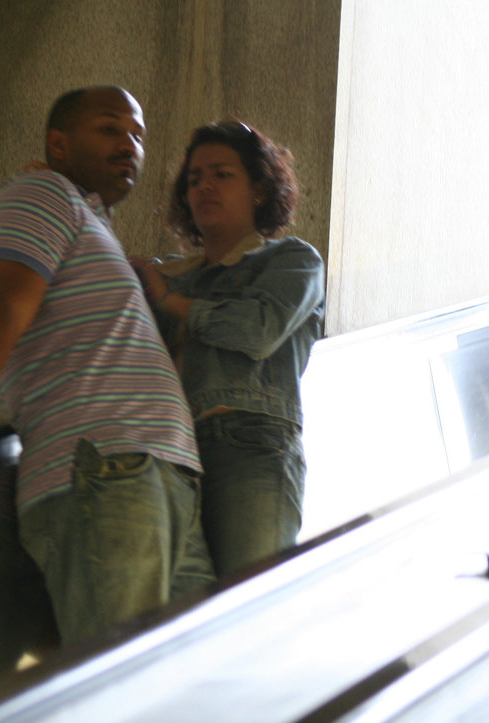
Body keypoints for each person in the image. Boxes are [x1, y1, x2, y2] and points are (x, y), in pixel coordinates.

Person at [0, 86, 215, 646]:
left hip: (161, 474)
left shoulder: (89, 217)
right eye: (110, 128)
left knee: (184, 683)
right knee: (121, 687)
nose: (129, 144)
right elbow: (5, 304)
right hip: (104, 472)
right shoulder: (38, 192)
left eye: (138, 135)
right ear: (58, 143)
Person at [131, 120, 325, 578]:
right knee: (181, 620)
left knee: (246, 609)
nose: (204, 187)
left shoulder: (292, 261)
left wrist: (172, 302)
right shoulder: (168, 274)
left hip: (252, 448)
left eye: (222, 174)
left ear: (259, 188)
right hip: (170, 454)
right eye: (195, 178)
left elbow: (258, 330)